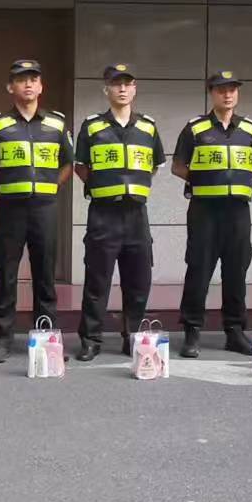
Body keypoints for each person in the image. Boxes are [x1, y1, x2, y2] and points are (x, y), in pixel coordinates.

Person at [0, 59, 73, 364]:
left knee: (44, 275)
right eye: (21, 79)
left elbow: (67, 163)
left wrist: (51, 187)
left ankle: (46, 338)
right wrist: (6, 189)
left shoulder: (57, 124)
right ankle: (1, 339)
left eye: (33, 79)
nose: (28, 84)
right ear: (11, 87)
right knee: (5, 274)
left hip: (45, 208)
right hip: (10, 209)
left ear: (41, 86)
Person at [73, 63, 163, 361]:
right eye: (116, 84)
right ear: (106, 89)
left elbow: (154, 166)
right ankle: (91, 340)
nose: (122, 89)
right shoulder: (92, 126)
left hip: (136, 214)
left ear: (134, 88)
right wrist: (104, 186)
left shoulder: (148, 126)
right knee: (97, 281)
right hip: (103, 214)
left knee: (138, 280)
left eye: (127, 83)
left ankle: (133, 338)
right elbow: (81, 167)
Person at [171, 69, 252, 359]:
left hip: (238, 211)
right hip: (205, 210)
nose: (228, 94)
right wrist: (206, 180)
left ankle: (234, 332)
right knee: (199, 270)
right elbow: (178, 166)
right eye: (221, 89)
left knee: (237, 271)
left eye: (232, 89)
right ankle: (192, 331)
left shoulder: (249, 129)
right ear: (211, 93)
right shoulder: (195, 129)